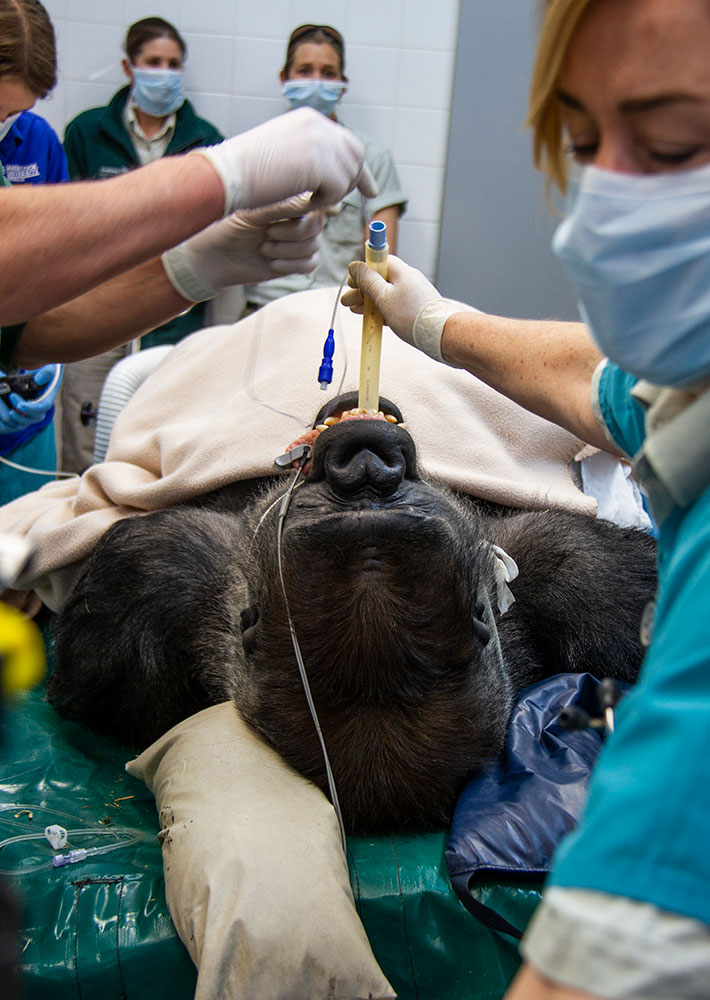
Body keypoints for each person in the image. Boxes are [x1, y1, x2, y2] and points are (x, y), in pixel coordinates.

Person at [344, 1, 710, 997]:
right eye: (585, 145)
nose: (603, 210)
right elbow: (592, 385)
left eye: (674, 148)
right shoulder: (691, 400)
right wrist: (428, 319)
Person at [60, 16, 225, 473]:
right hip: (93, 307)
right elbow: (64, 228)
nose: (164, 73)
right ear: (129, 67)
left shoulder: (205, 141)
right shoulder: (87, 133)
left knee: (157, 444)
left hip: (170, 316)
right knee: (85, 435)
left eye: (174, 63)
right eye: (154, 62)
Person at [244, 23, 406, 311]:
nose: (316, 82)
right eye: (305, 71)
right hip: (266, 309)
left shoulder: (372, 157)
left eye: (328, 73)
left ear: (342, 84)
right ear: (285, 78)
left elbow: (382, 265)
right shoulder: (252, 150)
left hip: (335, 311)